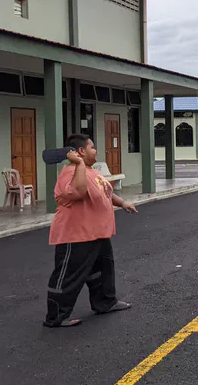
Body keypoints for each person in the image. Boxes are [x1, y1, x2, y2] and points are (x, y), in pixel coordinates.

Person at [44, 134, 138, 328]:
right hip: (75, 234)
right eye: (92, 147)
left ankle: (105, 302)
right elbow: (78, 192)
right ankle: (56, 317)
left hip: (97, 233)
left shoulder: (92, 172)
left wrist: (123, 203)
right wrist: (77, 164)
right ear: (81, 151)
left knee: (103, 270)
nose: (95, 151)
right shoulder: (70, 172)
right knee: (68, 275)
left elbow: (106, 193)